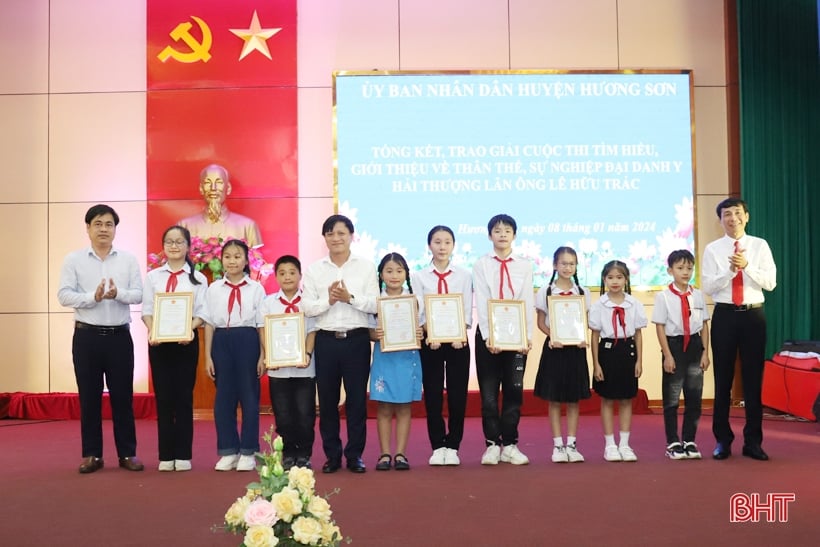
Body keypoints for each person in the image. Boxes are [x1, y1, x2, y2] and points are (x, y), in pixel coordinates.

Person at [57, 204, 145, 473]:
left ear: (115, 229)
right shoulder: (74, 260)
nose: (103, 229)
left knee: (122, 397)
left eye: (108, 224)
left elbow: (139, 294)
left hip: (119, 337)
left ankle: (127, 454)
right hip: (86, 338)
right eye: (98, 224)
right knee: (89, 397)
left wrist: (118, 294)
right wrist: (91, 298)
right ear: (88, 228)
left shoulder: (128, 259)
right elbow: (63, 295)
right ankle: (92, 455)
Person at [301, 214, 379, 474]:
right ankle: (332, 455)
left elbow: (375, 303)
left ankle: (355, 455)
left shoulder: (366, 267)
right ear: (324, 238)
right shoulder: (314, 270)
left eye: (341, 233)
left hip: (356, 340)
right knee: (328, 401)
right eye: (330, 233)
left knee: (357, 401)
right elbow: (308, 308)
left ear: (351, 236)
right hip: (326, 341)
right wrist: (330, 301)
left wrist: (350, 297)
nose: (336, 238)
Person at [701, 197, 776, 461]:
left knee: (753, 380)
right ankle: (723, 440)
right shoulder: (713, 249)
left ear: (747, 216)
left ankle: (753, 442)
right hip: (724, 316)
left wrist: (748, 267)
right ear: (720, 220)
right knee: (722, 380)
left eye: (737, 213)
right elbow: (708, 287)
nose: (732, 218)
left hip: (753, 316)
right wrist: (731, 272)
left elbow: (770, 283)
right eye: (726, 214)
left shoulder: (759, 246)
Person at [141, 226, 208, 471]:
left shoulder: (198, 278)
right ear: (163, 246)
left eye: (179, 241)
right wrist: (152, 331)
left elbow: (202, 312)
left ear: (188, 246)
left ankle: (183, 454)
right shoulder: (153, 277)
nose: (174, 246)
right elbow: (147, 311)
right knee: (164, 399)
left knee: (183, 398)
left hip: (185, 344)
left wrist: (189, 329)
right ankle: (165, 455)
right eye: (169, 241)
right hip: (159, 345)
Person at [472, 213, 534, 466]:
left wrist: (526, 336)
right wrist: (489, 336)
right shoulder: (481, 264)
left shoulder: (524, 265)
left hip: (515, 336)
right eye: (497, 230)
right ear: (489, 235)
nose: (502, 234)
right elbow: (483, 301)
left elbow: (527, 301)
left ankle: (510, 443)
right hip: (489, 337)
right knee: (488, 395)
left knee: (513, 392)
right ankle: (491, 445)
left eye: (507, 230)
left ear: (514, 235)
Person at [411, 225, 473, 466]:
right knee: (434, 395)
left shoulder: (464, 275)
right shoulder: (418, 277)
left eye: (447, 242)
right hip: (431, 343)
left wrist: (462, 330)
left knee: (458, 395)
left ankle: (454, 445)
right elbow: (419, 311)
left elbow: (467, 308)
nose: (442, 247)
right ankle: (437, 445)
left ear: (453, 246)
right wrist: (428, 331)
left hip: (458, 343)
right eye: (437, 242)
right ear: (429, 246)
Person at [202, 239, 266, 471]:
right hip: (222, 341)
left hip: (247, 340)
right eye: (227, 256)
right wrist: (208, 356)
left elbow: (261, 324)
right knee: (224, 399)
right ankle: (228, 450)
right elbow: (208, 323)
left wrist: (263, 354)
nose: (232, 261)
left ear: (246, 260)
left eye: (237, 256)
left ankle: (249, 450)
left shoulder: (256, 288)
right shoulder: (213, 288)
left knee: (249, 397)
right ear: (222, 260)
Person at [257, 255, 317, 470]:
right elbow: (263, 330)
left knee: (304, 413)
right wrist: (269, 355)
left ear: (300, 275)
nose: (287, 277)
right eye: (282, 273)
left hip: (305, 369)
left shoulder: (308, 302)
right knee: (283, 415)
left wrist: (308, 354)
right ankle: (288, 453)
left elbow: (312, 331)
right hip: (278, 371)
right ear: (276, 277)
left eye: (292, 272)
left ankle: (304, 454)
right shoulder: (268, 303)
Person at [533, 246, 592, 463]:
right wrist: (553, 335)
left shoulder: (583, 292)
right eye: (563, 263)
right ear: (555, 265)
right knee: (555, 399)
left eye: (572, 263)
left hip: (576, 351)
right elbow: (541, 322)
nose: (568, 267)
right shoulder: (546, 291)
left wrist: (582, 337)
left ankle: (572, 444)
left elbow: (584, 322)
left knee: (574, 399)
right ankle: (558, 445)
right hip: (555, 349)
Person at [652, 249, 711, 460]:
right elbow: (659, 327)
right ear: (670, 270)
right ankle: (673, 442)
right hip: (674, 345)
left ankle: (689, 440)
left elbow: (704, 324)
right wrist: (667, 354)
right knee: (672, 397)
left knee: (694, 396)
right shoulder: (663, 296)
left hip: (695, 345)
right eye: (680, 268)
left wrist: (705, 352)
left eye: (689, 268)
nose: (685, 272)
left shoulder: (697, 294)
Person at [588, 260, 647, 462]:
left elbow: (638, 334)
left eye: (619, 277)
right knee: (606, 399)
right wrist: (596, 364)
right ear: (604, 279)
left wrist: (639, 360)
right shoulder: (599, 305)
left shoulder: (634, 303)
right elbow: (594, 336)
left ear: (626, 279)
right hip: (606, 352)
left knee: (626, 399)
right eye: (610, 277)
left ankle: (624, 444)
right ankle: (610, 444)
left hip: (627, 351)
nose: (615, 281)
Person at [370, 253, 424, 471]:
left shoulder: (414, 300)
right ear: (381, 274)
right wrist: (376, 334)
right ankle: (384, 454)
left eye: (399, 271)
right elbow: (368, 332)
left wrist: (420, 332)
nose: (394, 276)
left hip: (407, 357)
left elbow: (424, 326)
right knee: (383, 407)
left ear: (406, 274)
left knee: (403, 406)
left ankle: (401, 453)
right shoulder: (374, 300)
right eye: (389, 271)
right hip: (384, 357)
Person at [178, 164, 263, 247]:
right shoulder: (184, 226)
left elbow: (256, 258)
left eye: (219, 182)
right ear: (201, 188)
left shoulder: (248, 226)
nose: (213, 188)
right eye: (208, 182)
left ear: (228, 188)